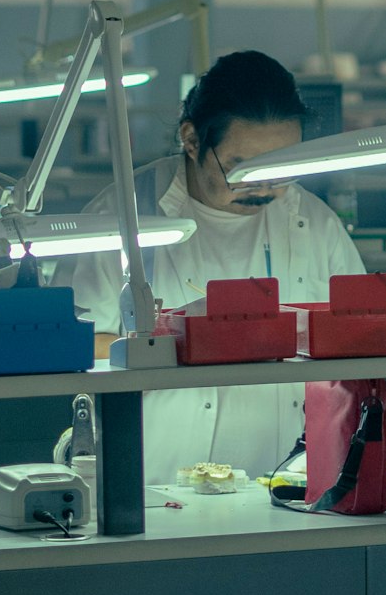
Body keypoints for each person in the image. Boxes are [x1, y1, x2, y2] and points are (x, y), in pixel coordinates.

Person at [66, 50, 365, 483]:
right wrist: (188, 345)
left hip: (284, 488)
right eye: (243, 167)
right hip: (151, 486)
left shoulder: (314, 224)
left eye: (281, 167)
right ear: (191, 140)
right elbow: (78, 343)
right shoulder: (124, 216)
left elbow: (359, 340)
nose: (267, 186)